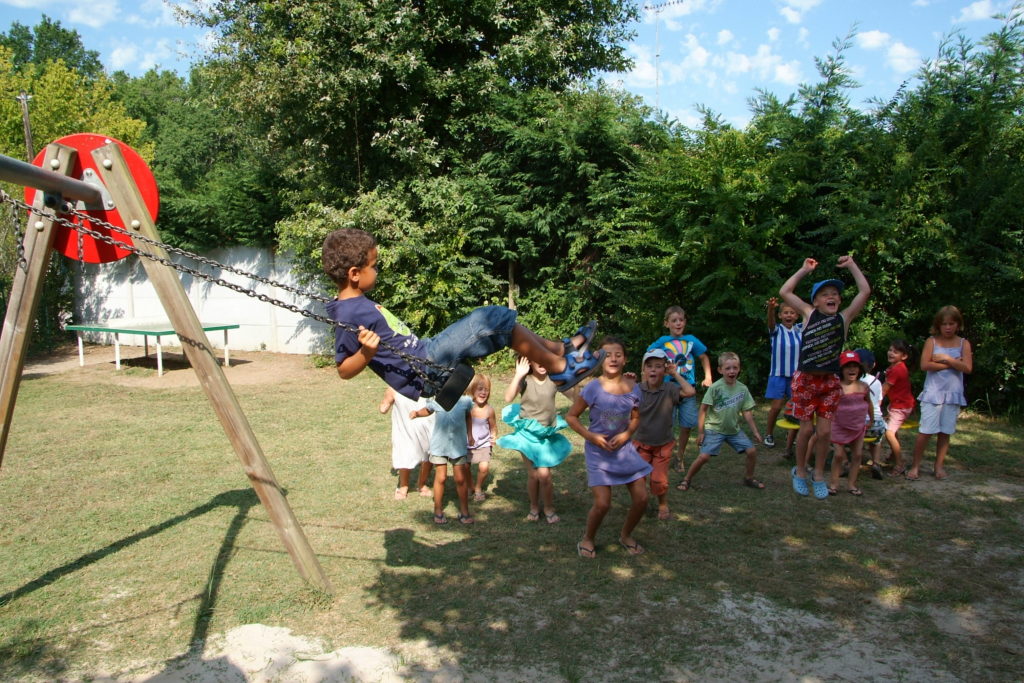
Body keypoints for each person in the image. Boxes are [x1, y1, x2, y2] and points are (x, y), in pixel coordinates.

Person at [322, 228, 603, 403]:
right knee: (489, 319)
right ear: (355, 274)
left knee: (496, 322)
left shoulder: (357, 302)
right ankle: (560, 368)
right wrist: (366, 354)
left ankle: (559, 349)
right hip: (426, 367)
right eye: (374, 265)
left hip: (426, 351)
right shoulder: (346, 313)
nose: (378, 270)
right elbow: (344, 370)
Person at [778, 256, 871, 500]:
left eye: (835, 294)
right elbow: (785, 291)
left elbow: (865, 291)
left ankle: (818, 474)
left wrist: (852, 265)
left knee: (826, 433)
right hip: (806, 379)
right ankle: (800, 471)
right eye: (826, 294)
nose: (832, 297)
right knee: (806, 430)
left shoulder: (843, 318)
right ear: (816, 301)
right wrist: (803, 270)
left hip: (829, 382)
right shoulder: (809, 315)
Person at [566, 337, 652, 558]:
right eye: (608, 354)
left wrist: (626, 434)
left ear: (625, 359)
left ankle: (625, 535)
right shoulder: (592, 388)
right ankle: (588, 538)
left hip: (624, 452)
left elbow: (635, 418)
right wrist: (590, 436)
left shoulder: (633, 387)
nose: (613, 358)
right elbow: (572, 417)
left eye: (618, 354)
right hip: (598, 453)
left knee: (642, 499)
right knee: (603, 504)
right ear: (599, 359)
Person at [498, 355, 572, 524]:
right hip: (527, 435)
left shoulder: (554, 380)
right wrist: (518, 375)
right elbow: (508, 397)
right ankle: (534, 506)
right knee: (534, 475)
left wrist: (572, 376)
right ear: (530, 361)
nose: (543, 363)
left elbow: (575, 396)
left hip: (545, 435)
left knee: (545, 476)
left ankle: (548, 507)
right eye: (539, 358)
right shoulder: (525, 381)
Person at [677, 352, 765, 492]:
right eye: (728, 368)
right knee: (704, 457)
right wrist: (701, 432)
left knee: (752, 451)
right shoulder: (715, 388)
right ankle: (686, 479)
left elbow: (747, 412)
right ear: (720, 370)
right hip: (714, 429)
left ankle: (749, 478)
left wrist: (755, 431)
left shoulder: (742, 389)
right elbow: (703, 409)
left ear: (739, 368)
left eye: (735, 368)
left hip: (733, 430)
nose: (731, 371)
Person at [907, 306, 973, 481]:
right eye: (944, 324)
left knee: (945, 432)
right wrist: (952, 363)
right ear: (938, 325)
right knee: (925, 431)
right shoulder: (932, 342)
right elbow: (925, 365)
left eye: (951, 323)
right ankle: (915, 466)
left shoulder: (963, 343)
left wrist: (945, 359)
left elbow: (967, 368)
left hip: (953, 394)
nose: (948, 327)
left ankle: (939, 466)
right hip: (933, 392)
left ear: (958, 324)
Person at [646, 306, 712, 474]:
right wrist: (648, 378)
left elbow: (704, 357)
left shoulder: (691, 340)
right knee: (667, 424)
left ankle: (680, 457)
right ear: (666, 323)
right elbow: (648, 356)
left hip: (687, 389)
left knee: (687, 425)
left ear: (685, 322)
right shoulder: (662, 341)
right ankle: (662, 455)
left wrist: (708, 377)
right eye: (674, 321)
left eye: (681, 320)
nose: (678, 323)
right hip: (667, 389)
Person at [633, 348, 695, 520]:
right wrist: (626, 382)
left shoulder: (670, 389)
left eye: (659, 366)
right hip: (641, 444)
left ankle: (662, 504)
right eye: (650, 366)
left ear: (665, 369)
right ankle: (640, 502)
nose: (653, 369)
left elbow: (690, 392)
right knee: (638, 478)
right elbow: (618, 401)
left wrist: (675, 374)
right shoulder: (637, 389)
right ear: (643, 370)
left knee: (659, 480)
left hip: (663, 445)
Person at [411, 393, 475, 525]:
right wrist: (417, 413)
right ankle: (438, 511)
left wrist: (470, 434)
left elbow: (468, 417)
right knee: (441, 477)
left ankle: (464, 512)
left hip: (458, 445)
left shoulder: (465, 400)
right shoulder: (437, 398)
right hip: (439, 445)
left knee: (460, 479)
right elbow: (428, 410)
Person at [827, 351, 873, 496]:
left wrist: (871, 419)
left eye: (855, 366)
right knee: (839, 455)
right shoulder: (837, 387)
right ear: (841, 369)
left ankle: (852, 484)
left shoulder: (864, 387)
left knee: (858, 455)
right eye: (848, 366)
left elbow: (869, 403)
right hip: (839, 424)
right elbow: (829, 406)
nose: (852, 369)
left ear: (860, 369)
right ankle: (834, 483)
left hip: (858, 425)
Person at [763, 296, 803, 453]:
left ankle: (792, 436)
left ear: (796, 315)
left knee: (796, 408)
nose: (789, 315)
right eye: (785, 312)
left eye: (792, 313)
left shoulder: (800, 329)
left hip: (796, 377)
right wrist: (771, 308)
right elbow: (770, 323)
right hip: (778, 374)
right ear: (780, 315)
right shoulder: (777, 330)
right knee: (776, 407)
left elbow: (811, 317)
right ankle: (769, 434)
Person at [379, 387, 434, 499]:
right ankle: (403, 486)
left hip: (427, 422)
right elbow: (384, 407)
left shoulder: (428, 382)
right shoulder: (396, 386)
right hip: (405, 425)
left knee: (428, 453)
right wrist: (386, 402)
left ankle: (422, 484)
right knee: (405, 450)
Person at [882, 339, 915, 476]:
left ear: (904, 356)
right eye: (890, 350)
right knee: (893, 432)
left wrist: (874, 404)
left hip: (901, 407)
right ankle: (894, 456)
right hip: (898, 404)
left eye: (895, 352)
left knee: (889, 433)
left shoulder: (897, 369)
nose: (891, 353)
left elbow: (884, 389)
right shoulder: (896, 367)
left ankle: (900, 463)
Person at [855, 348, 886, 480]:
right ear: (873, 365)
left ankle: (846, 462)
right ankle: (876, 462)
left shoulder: (853, 382)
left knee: (839, 436)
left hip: (860, 425)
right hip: (877, 424)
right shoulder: (877, 382)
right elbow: (878, 402)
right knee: (876, 442)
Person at [466, 374, 497, 501]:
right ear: (472, 390)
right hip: (467, 443)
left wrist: (494, 436)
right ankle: (470, 486)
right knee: (464, 467)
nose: (483, 392)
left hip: (484, 443)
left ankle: (478, 488)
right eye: (480, 389)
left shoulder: (489, 410)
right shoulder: (467, 408)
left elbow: (493, 426)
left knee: (484, 467)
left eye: (486, 389)